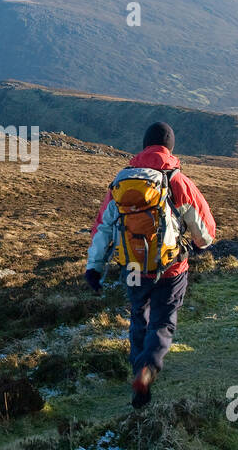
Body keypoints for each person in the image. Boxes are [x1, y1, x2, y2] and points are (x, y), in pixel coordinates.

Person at [85, 121, 217, 408]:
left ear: (144, 146)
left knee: (138, 316)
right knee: (163, 320)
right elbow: (204, 228)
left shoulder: (122, 181)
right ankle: (149, 368)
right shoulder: (176, 180)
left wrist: (94, 267)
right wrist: (200, 244)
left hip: (132, 267)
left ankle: (137, 369)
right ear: (169, 148)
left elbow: (102, 228)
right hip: (170, 268)